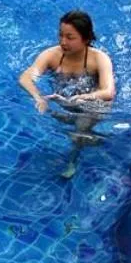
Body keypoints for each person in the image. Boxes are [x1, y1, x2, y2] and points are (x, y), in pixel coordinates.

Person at [18, 10, 117, 178]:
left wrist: (82, 98)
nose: (63, 41)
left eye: (70, 37)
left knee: (80, 128)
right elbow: (26, 78)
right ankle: (89, 138)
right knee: (56, 119)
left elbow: (108, 92)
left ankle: (73, 160)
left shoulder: (99, 59)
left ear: (86, 39)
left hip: (90, 103)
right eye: (61, 35)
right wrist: (38, 97)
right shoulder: (51, 55)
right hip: (62, 99)